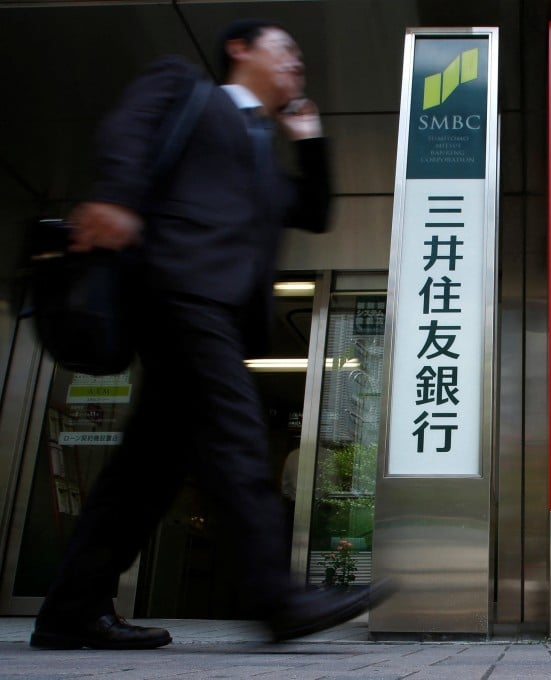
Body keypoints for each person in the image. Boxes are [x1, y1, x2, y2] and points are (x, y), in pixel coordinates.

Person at [31, 19, 388, 650]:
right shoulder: (186, 90)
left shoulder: (264, 160)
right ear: (240, 49)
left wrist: (307, 139)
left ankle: (72, 608)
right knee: (234, 434)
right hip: (176, 290)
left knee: (145, 474)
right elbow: (128, 128)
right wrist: (116, 196)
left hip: (218, 312)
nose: (296, 66)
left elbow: (315, 209)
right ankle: (275, 601)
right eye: (287, 50)